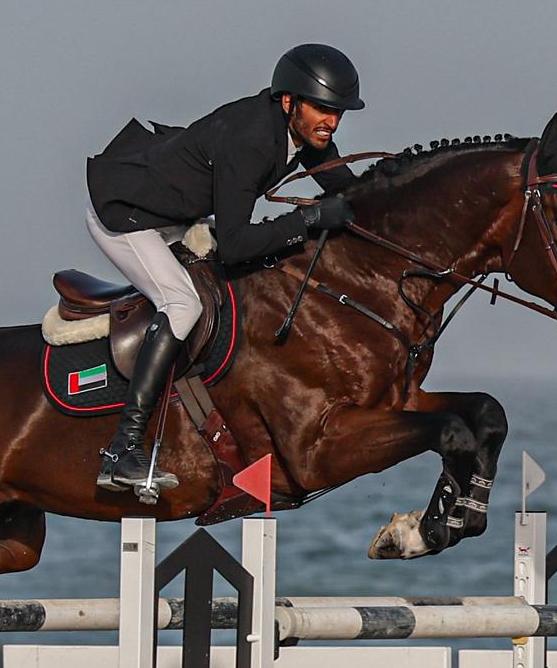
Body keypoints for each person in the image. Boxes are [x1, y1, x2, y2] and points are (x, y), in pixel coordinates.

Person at [80, 44, 366, 502]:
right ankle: (124, 449)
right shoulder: (251, 141)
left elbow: (348, 192)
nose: (330, 122)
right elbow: (234, 245)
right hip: (126, 215)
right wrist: (309, 219)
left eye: (337, 112)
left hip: (171, 207)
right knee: (183, 303)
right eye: (322, 109)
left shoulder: (300, 131)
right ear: (289, 102)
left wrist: (392, 190)